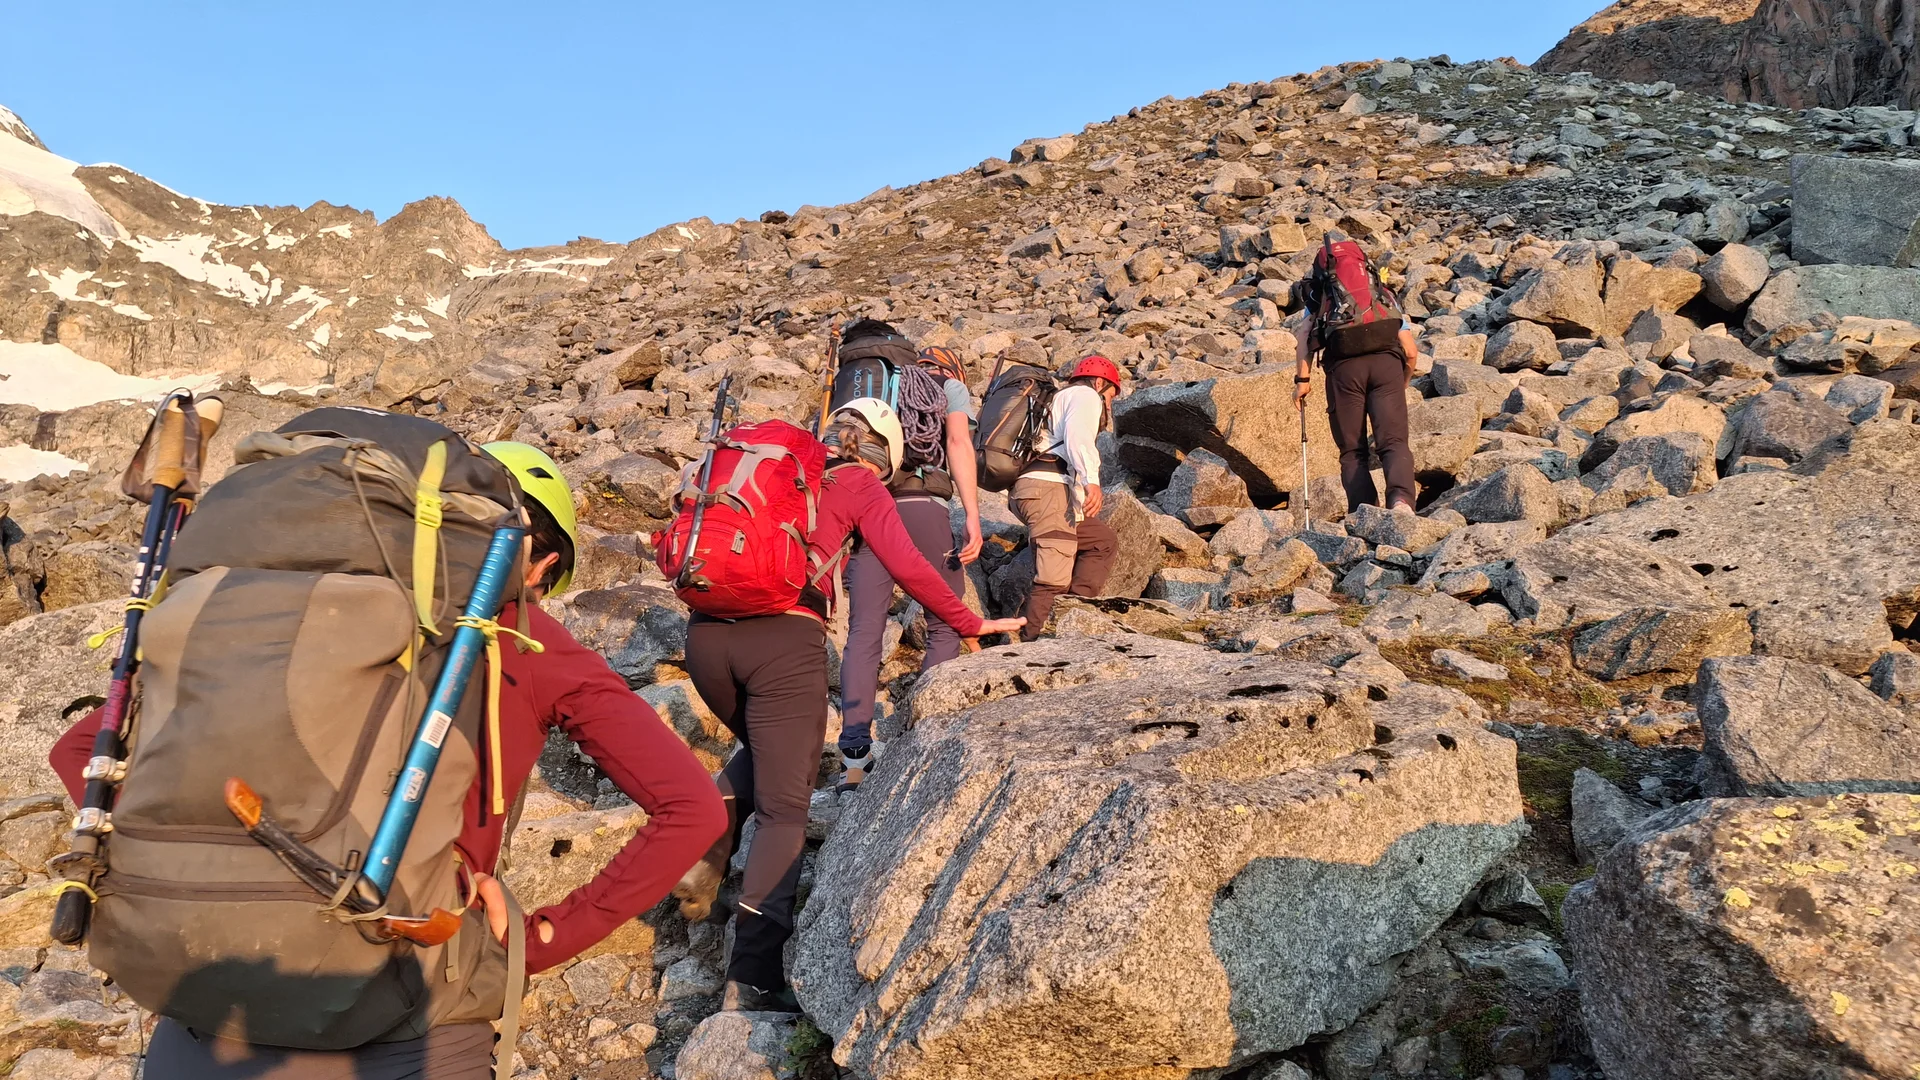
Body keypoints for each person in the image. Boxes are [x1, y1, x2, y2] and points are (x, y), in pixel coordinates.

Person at [49, 441, 727, 1080]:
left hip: (203, 995)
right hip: (406, 1008)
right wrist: (539, 937)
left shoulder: (284, 618)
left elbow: (82, 750)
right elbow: (691, 808)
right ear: (541, 565)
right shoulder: (525, 637)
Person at [672, 398, 1024, 1012]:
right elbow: (908, 564)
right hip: (782, 642)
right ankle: (751, 978)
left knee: (764, 748)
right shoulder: (859, 480)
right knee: (786, 808)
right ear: (885, 450)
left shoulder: (783, 470)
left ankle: (710, 836)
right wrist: (969, 620)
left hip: (704, 636)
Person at [836, 339, 984, 791]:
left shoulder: (861, 392)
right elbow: (958, 442)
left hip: (867, 509)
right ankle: (923, 734)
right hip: (924, 508)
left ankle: (854, 759)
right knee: (944, 624)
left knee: (864, 629)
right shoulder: (947, 387)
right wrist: (973, 516)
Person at [1292, 242, 1422, 513]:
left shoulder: (1321, 295)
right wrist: (1404, 379)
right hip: (1387, 367)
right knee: (1394, 442)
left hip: (1344, 371)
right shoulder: (1380, 293)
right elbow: (1410, 350)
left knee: (1353, 451)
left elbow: (1304, 335)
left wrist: (1302, 382)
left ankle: (1364, 512)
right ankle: (1401, 503)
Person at [1007, 355, 1122, 641]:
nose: (1108, 404)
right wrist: (1091, 481)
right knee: (1053, 575)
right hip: (1046, 489)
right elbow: (1077, 439)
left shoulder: (1059, 399)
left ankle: (1074, 611)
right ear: (1099, 382)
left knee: (1100, 541)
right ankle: (1029, 644)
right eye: (1109, 396)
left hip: (1039, 489)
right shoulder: (1084, 395)